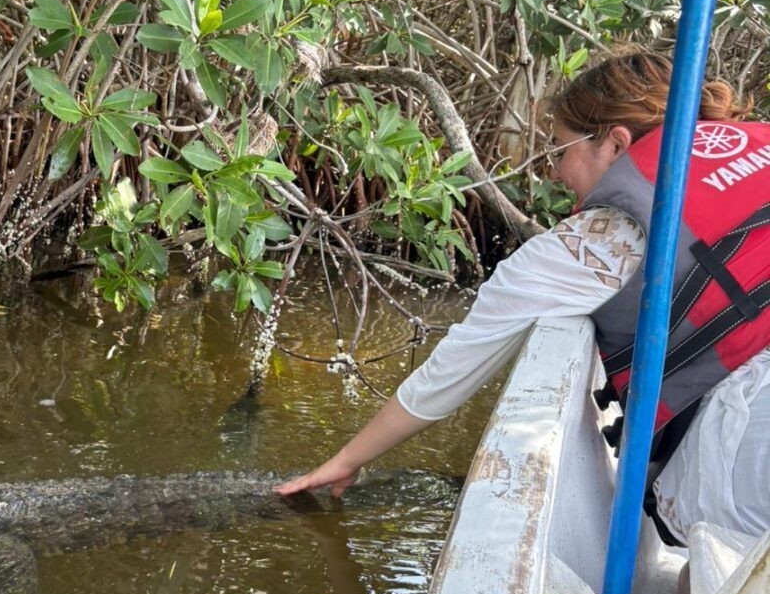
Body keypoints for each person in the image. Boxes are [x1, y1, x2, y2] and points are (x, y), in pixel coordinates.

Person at [276, 48, 770, 546]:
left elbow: (452, 370)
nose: (554, 171)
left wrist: (346, 460)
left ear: (616, 145)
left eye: (559, 150)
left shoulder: (600, 240)